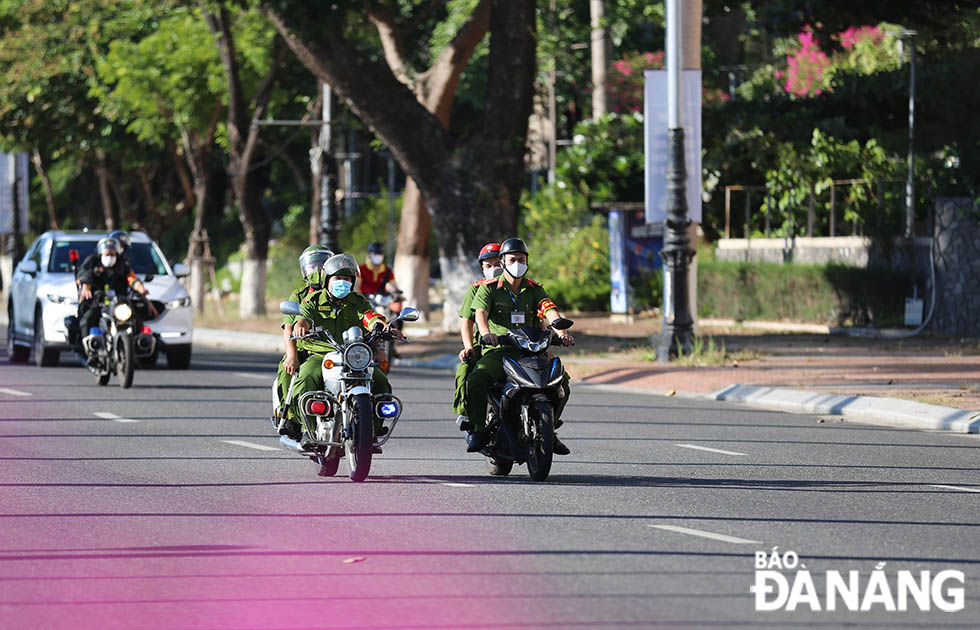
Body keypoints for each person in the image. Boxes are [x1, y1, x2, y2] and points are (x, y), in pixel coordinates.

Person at [465, 237, 573, 455]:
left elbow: (548, 310)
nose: (517, 263)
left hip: (532, 350)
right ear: (503, 262)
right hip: (500, 350)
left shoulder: (535, 289)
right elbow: (480, 315)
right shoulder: (489, 288)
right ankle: (478, 430)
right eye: (512, 259)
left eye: (521, 259)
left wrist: (561, 333)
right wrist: (486, 334)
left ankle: (550, 429)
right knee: (478, 377)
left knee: (563, 381)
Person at [286, 254, 398, 451]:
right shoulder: (313, 299)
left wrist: (384, 327)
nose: (343, 284)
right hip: (321, 354)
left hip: (353, 355)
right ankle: (308, 430)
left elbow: (371, 317)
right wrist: (301, 325)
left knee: (380, 381)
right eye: (338, 279)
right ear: (327, 280)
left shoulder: (358, 301)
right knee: (306, 377)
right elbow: (303, 317)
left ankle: (370, 433)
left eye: (347, 280)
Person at [274, 245, 333, 434]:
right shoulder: (299, 295)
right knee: (287, 370)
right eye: (312, 266)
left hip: (336, 349)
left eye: (322, 265)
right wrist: (292, 355)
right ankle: (290, 416)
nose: (317, 270)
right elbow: (288, 327)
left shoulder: (339, 294)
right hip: (305, 348)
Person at [452, 242, 503, 432]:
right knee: (466, 370)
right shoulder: (477, 288)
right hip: (484, 343)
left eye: (497, 264)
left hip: (519, 343)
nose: (494, 269)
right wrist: (469, 347)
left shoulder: (519, 286)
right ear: (482, 268)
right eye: (488, 266)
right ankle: (468, 414)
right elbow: (467, 321)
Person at [74, 238, 143, 352]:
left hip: (118, 304)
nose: (109, 257)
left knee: (136, 319)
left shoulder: (121, 265)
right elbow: (84, 274)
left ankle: (136, 346)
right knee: (87, 320)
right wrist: (86, 286)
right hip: (98, 303)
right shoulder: (93, 262)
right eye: (107, 254)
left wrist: (139, 287)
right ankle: (88, 348)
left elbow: (131, 277)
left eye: (112, 254)